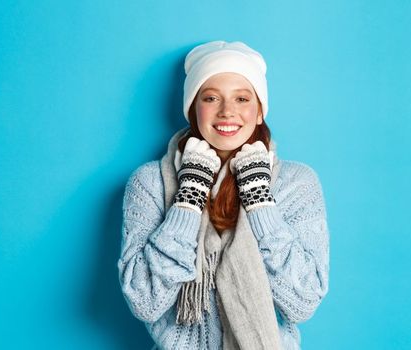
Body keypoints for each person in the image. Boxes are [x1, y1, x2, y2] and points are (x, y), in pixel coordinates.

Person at [118, 40, 330, 349]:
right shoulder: (151, 182)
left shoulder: (296, 183)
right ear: (194, 109)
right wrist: (188, 198)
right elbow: (144, 301)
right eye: (211, 97)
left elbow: (303, 302)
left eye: (242, 98)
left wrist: (260, 203)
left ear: (259, 112)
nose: (227, 111)